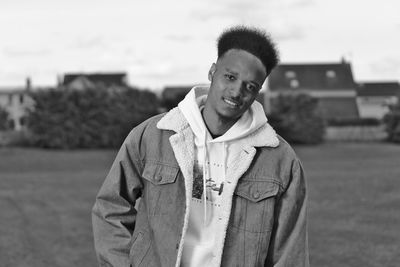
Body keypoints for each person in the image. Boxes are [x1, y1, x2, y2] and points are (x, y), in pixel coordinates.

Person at [92, 25, 309, 267]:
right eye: (230, 77)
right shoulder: (153, 136)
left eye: (250, 86)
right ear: (212, 72)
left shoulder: (280, 160)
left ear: (258, 91)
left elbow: (289, 252)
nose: (237, 91)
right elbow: (111, 206)